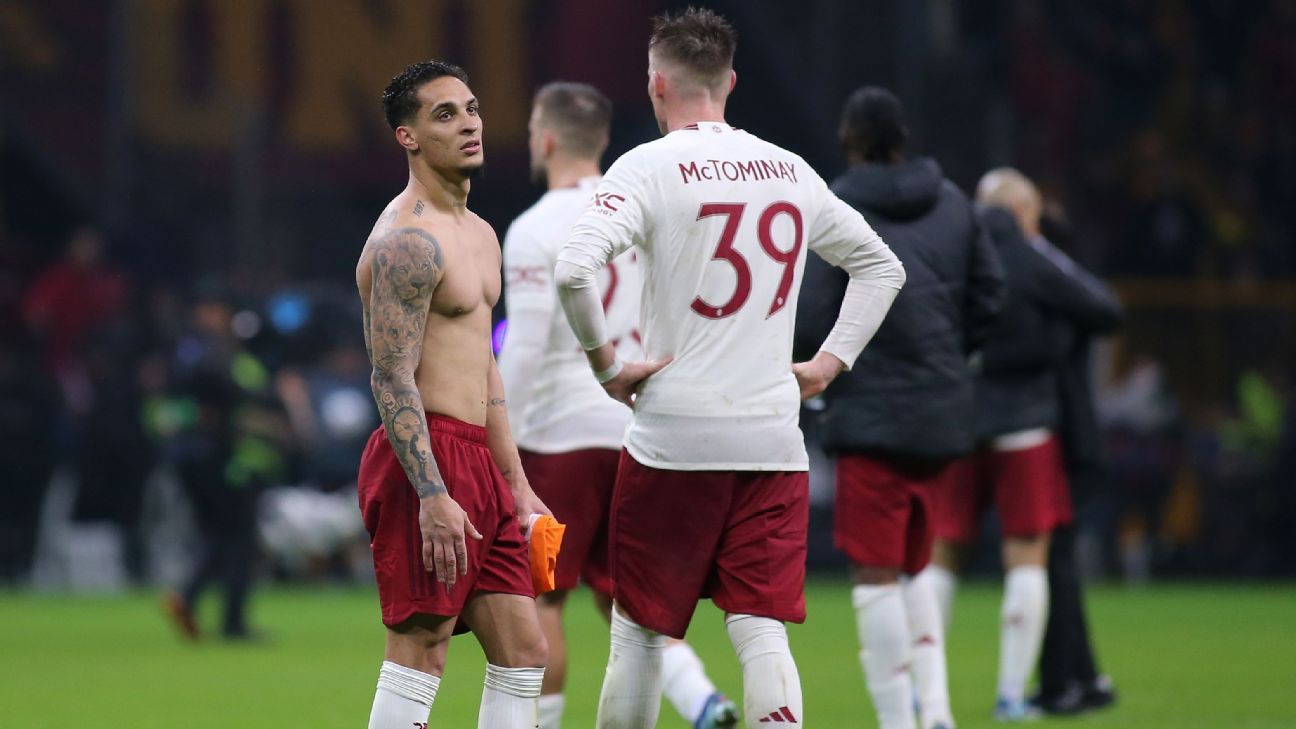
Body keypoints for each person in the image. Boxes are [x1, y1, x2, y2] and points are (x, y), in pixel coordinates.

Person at [554, 9, 906, 728]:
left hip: (673, 437)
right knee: (760, 627)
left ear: (657, 85)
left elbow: (573, 269)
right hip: (771, 436)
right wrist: (829, 362)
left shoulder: (648, 166)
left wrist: (607, 367)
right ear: (731, 82)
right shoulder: (790, 169)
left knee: (639, 629)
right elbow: (881, 267)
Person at [499, 81, 737, 729]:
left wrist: (498, 439)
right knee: (627, 601)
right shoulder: (644, 210)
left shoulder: (534, 228)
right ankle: (702, 699)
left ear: (546, 140)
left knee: (540, 601)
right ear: (601, 140)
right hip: (638, 433)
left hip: (558, 441)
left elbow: (524, 348)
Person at [796, 87, 1004, 729]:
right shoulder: (955, 203)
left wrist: (821, 366)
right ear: (902, 137)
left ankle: (897, 720)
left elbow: (813, 311)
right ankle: (935, 711)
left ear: (848, 139)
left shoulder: (838, 205)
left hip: (870, 415)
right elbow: (990, 294)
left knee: (875, 576)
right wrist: (949, 358)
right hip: (943, 416)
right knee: (919, 567)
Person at [355, 60, 550, 729]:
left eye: (471, 108)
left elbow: (483, 366)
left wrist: (515, 483)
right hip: (426, 459)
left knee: (524, 652)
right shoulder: (408, 241)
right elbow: (391, 375)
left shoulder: (481, 233)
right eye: (445, 114)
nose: (469, 123)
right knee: (422, 648)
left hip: (479, 461)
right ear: (407, 136)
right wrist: (433, 493)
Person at [924, 168, 1121, 722]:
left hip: (960, 424)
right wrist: (1055, 339)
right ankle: (1011, 695)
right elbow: (1105, 309)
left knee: (945, 553)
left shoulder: (952, 257)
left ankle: (926, 693)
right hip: (1026, 427)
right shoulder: (1031, 258)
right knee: (1027, 556)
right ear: (1021, 211)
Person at [1033, 208, 1121, 715]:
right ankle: (1080, 677)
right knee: (1054, 562)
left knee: (1054, 562)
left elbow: (1109, 312)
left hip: (1060, 437)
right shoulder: (1062, 290)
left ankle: (1065, 682)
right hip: (1068, 435)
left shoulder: (1052, 288)